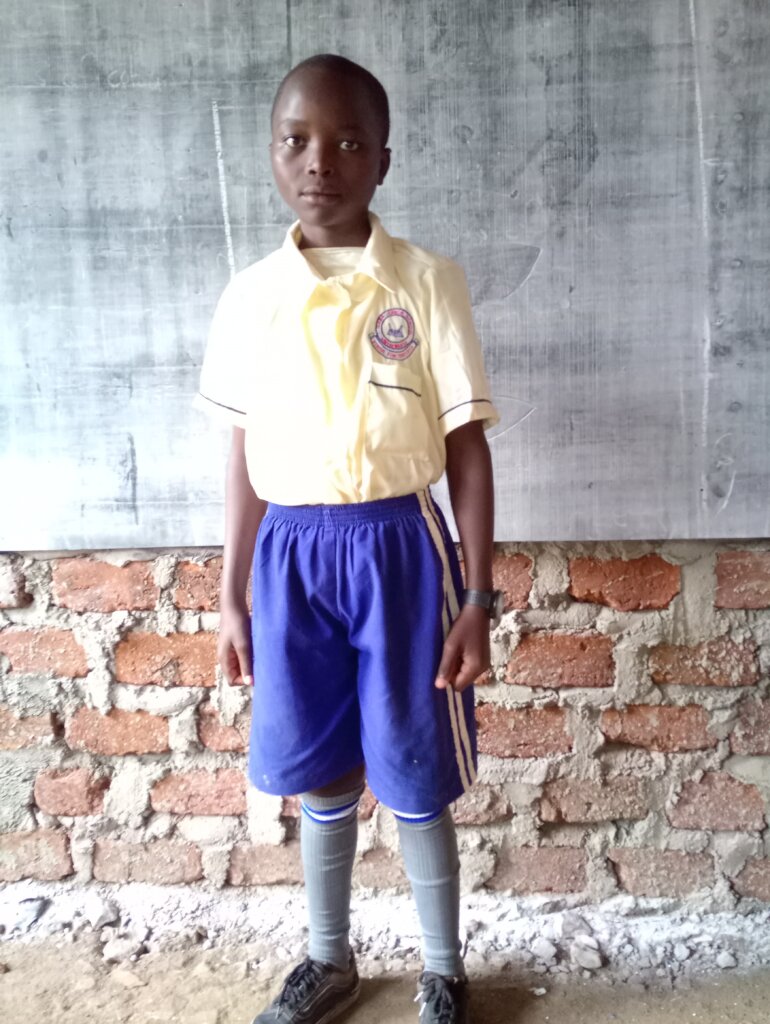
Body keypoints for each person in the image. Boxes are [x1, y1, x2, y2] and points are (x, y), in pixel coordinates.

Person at [196, 53, 502, 1024]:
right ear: (270, 152)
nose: (318, 161)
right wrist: (231, 595)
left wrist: (476, 597)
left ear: (382, 161)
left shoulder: (424, 283)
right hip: (290, 558)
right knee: (319, 766)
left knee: (413, 766)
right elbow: (243, 457)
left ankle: (444, 970)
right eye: (295, 140)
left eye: (347, 142)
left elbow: (465, 451)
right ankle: (328, 959)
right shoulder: (250, 296)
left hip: (400, 551)